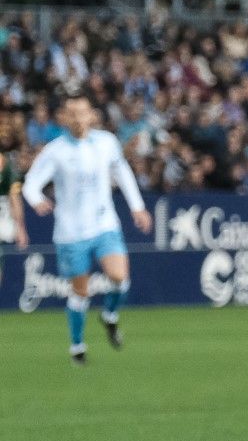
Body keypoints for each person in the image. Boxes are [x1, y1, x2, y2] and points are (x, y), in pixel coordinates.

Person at [22, 95, 153, 364]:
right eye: (72, 114)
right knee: (80, 292)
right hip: (71, 232)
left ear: (92, 115)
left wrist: (137, 206)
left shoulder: (106, 143)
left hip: (105, 224)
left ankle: (109, 315)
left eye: (82, 113)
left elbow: (122, 171)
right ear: (63, 118)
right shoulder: (55, 151)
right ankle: (77, 347)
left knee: (119, 275)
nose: (78, 118)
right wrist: (37, 200)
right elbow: (30, 184)